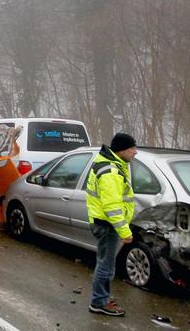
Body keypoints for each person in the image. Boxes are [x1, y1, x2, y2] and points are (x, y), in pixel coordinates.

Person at [86, 132, 137, 317]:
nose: (135, 152)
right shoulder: (111, 172)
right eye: (132, 148)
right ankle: (99, 302)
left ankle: (102, 298)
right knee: (106, 266)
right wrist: (125, 231)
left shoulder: (112, 164)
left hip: (105, 223)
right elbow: (112, 206)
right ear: (122, 150)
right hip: (107, 225)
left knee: (106, 264)